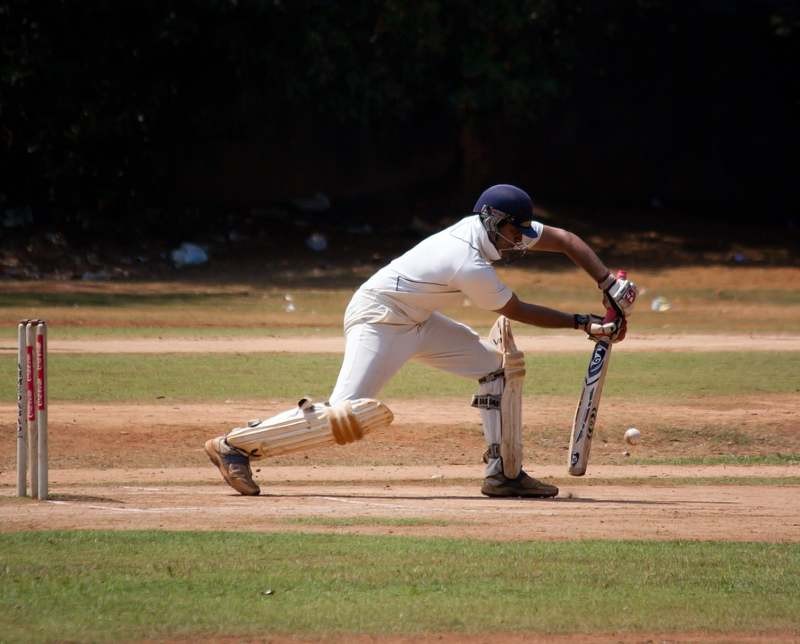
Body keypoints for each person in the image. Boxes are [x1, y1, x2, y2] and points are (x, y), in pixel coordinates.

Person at [205, 184, 637, 497]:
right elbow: (517, 310)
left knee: (497, 367)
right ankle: (235, 445)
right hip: (379, 318)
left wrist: (605, 282)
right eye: (514, 231)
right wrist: (586, 323)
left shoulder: (497, 227)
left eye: (524, 230)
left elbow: (565, 240)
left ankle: (503, 473)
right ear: (493, 221)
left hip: (419, 319)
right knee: (345, 416)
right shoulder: (467, 261)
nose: (520, 240)